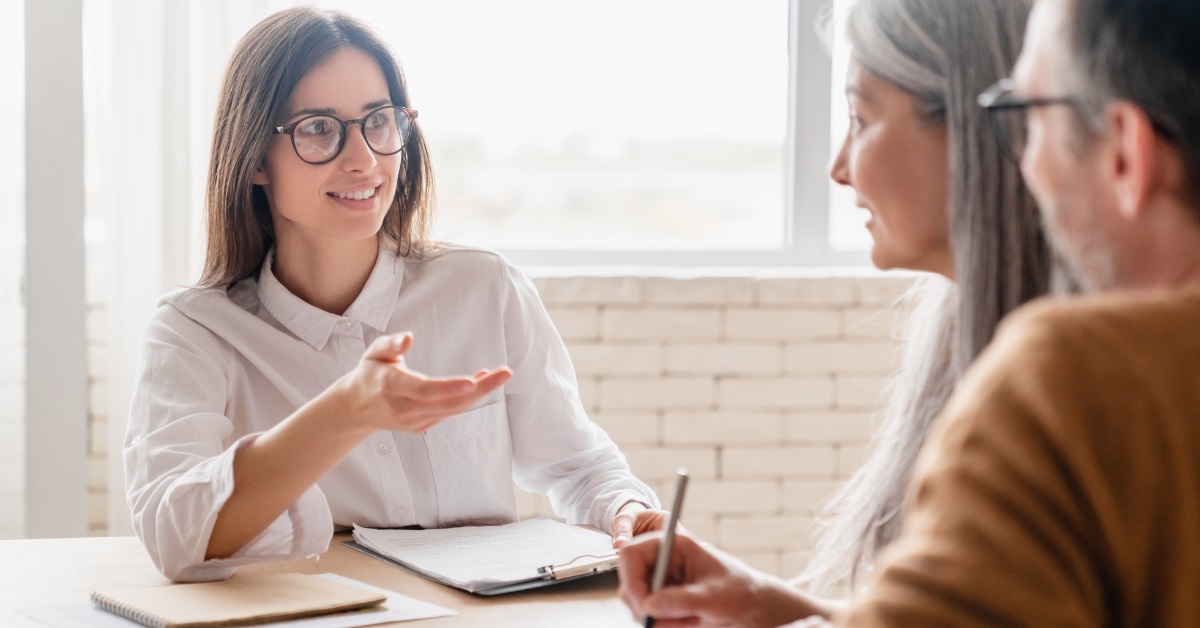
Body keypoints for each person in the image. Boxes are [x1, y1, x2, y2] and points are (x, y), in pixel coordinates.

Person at [619, 0, 1200, 625]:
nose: (1023, 159)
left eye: (1025, 116)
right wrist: (781, 606)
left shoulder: (1071, 379)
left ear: (1126, 153)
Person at [124, 7, 662, 583]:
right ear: (255, 158)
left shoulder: (484, 288)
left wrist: (625, 508)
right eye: (318, 128)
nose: (364, 160)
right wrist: (344, 413)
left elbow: (579, 466)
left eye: (378, 121)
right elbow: (173, 535)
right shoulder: (195, 330)